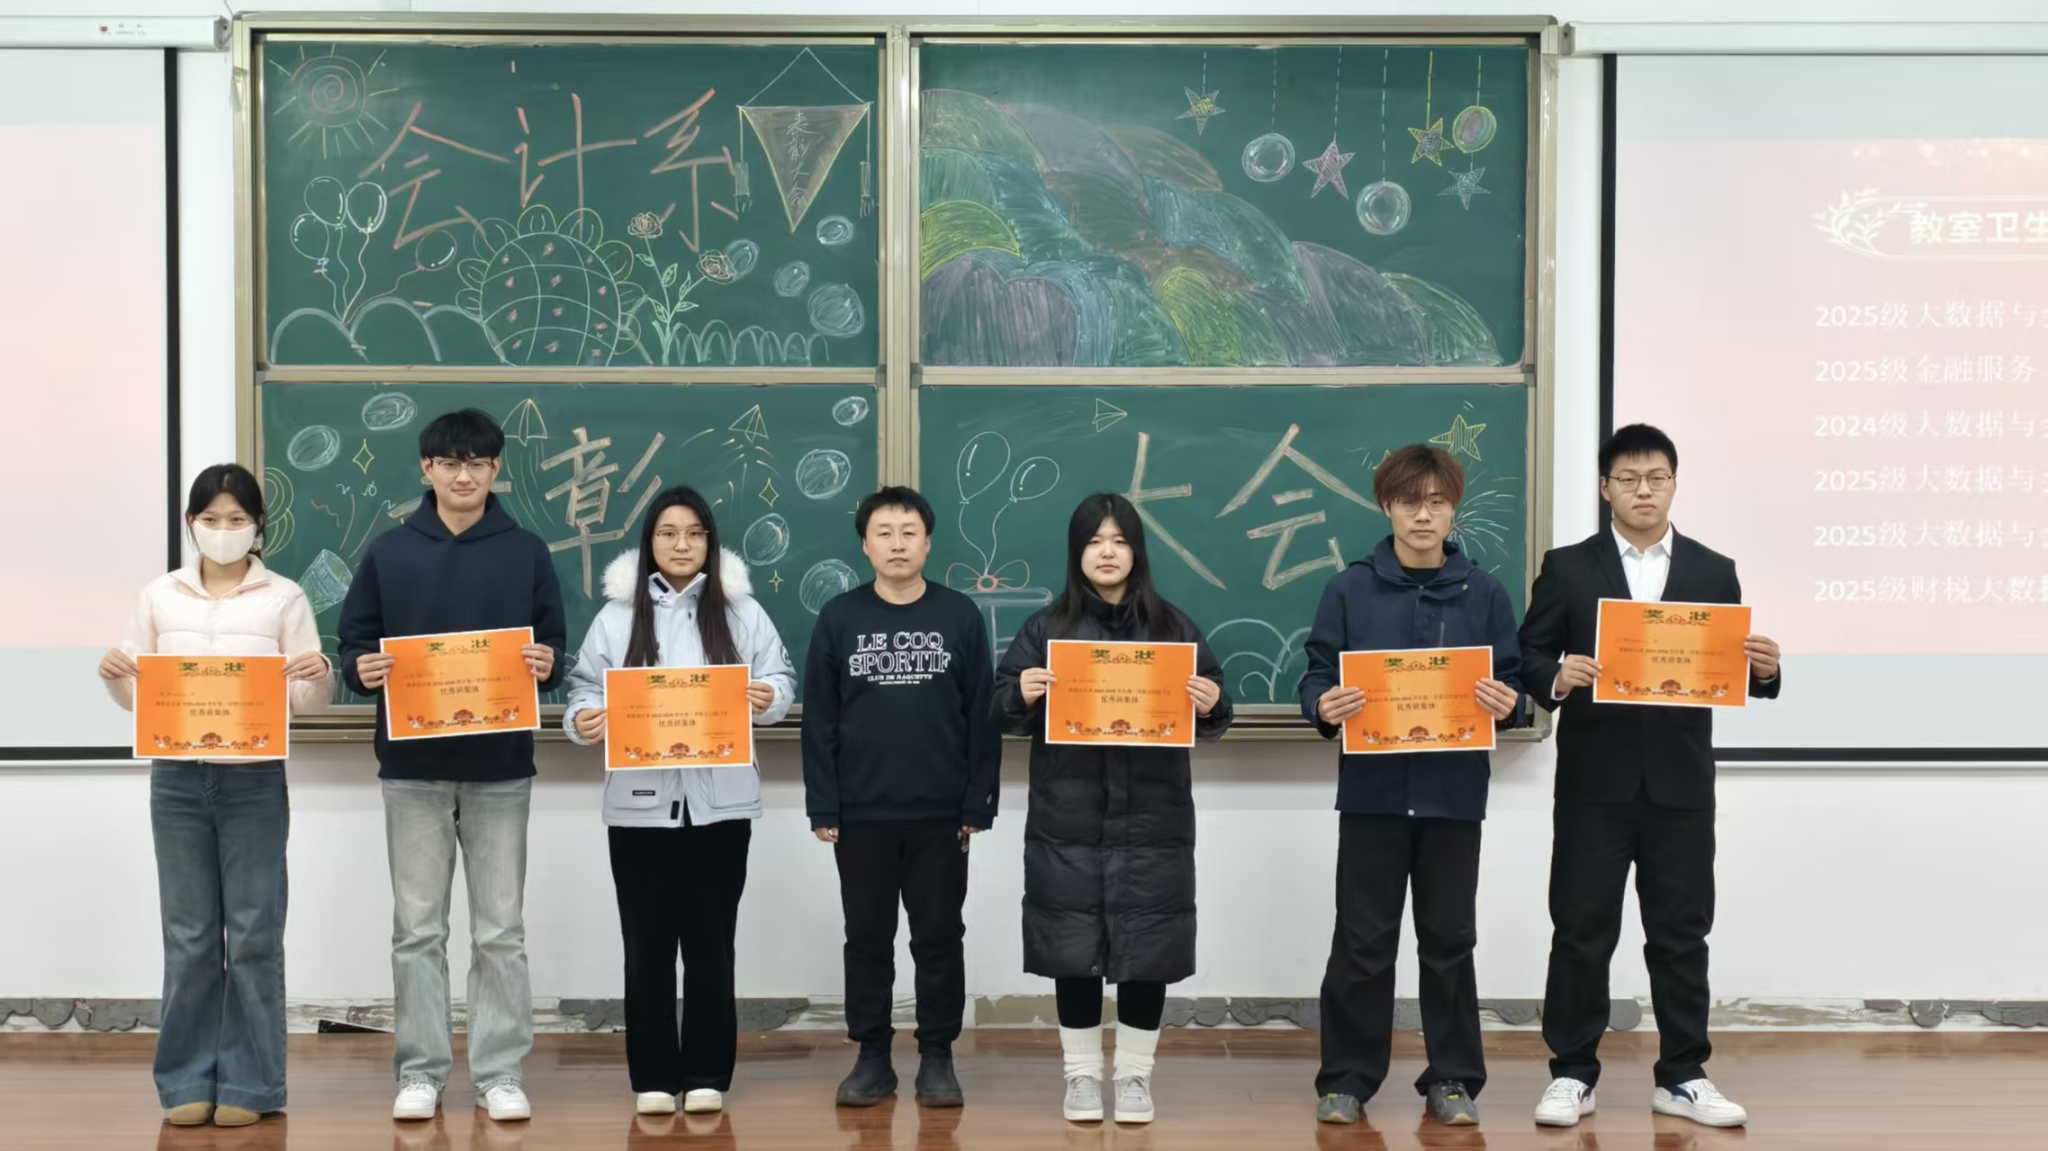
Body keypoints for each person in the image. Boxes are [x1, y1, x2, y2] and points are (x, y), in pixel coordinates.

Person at [1518, 424, 1782, 1130]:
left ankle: (1684, 1075)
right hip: (1593, 787)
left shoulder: (1713, 570)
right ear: (1605, 487)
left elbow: (1729, 669)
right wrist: (1557, 675)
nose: (1644, 490)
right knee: (1581, 931)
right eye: (1629, 478)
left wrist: (1764, 670)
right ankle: (1572, 1073)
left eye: (1656, 477)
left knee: (1681, 935)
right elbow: (1528, 654)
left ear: (1674, 484)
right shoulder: (1568, 568)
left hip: (1680, 787)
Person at [336, 408, 567, 1123]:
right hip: (413, 767)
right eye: (449, 462)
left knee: (500, 930)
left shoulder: (526, 550)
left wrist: (547, 662)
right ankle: (421, 1071)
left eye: (477, 463)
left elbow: (555, 646)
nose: (463, 475)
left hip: (501, 767)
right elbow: (353, 644)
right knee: (418, 929)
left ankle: (499, 1072)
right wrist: (361, 668)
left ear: (496, 469)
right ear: (426, 468)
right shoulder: (389, 551)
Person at [1297, 445, 1525, 1128]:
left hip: (1454, 794)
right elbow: (1316, 674)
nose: (1423, 515)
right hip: (1372, 792)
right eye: (1408, 502)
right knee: (1362, 941)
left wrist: (1509, 701)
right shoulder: (1349, 589)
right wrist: (1321, 705)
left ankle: (1452, 1078)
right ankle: (1346, 1079)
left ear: (1453, 509)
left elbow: (1515, 684)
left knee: (1449, 940)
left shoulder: (1485, 592)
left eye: (1436, 502)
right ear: (1386, 507)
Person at [100, 463, 333, 1128]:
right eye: (210, 518)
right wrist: (117, 677)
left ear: (258, 526)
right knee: (189, 934)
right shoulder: (159, 596)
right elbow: (140, 696)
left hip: (253, 778)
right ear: (190, 523)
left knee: (255, 932)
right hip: (177, 777)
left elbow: (306, 700)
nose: (223, 529)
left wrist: (316, 675)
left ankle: (252, 1083)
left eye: (237, 519)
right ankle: (185, 1080)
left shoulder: (284, 598)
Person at [993, 493, 1232, 1125]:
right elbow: (999, 708)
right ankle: (1080, 1077)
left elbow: (1216, 708)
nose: (1107, 552)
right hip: (1066, 818)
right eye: (1095, 541)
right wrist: (1020, 692)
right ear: (1077, 552)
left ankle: (1133, 1078)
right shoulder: (1046, 628)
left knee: (1147, 946)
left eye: (1120, 540)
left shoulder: (1174, 628)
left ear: (1137, 551)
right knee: (1072, 945)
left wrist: (1211, 703)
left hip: (1154, 820)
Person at [561, 487, 796, 1117]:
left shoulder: (743, 612)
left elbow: (780, 680)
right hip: (639, 808)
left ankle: (708, 1072)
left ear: (710, 543)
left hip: (722, 807)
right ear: (650, 544)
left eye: (694, 533)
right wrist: (583, 718)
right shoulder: (617, 617)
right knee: (647, 946)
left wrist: (768, 697)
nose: (682, 544)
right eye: (668, 533)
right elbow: (583, 689)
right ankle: (655, 1077)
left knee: (712, 944)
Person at [801, 486, 1001, 1110]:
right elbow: (820, 721)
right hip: (862, 814)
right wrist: (823, 806)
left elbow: (982, 716)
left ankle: (937, 1055)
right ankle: (872, 1057)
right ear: (865, 545)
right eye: (883, 533)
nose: (896, 544)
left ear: (927, 542)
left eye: (908, 532)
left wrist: (977, 804)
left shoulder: (960, 614)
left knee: (938, 937)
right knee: (866, 938)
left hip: (941, 815)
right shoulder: (839, 617)